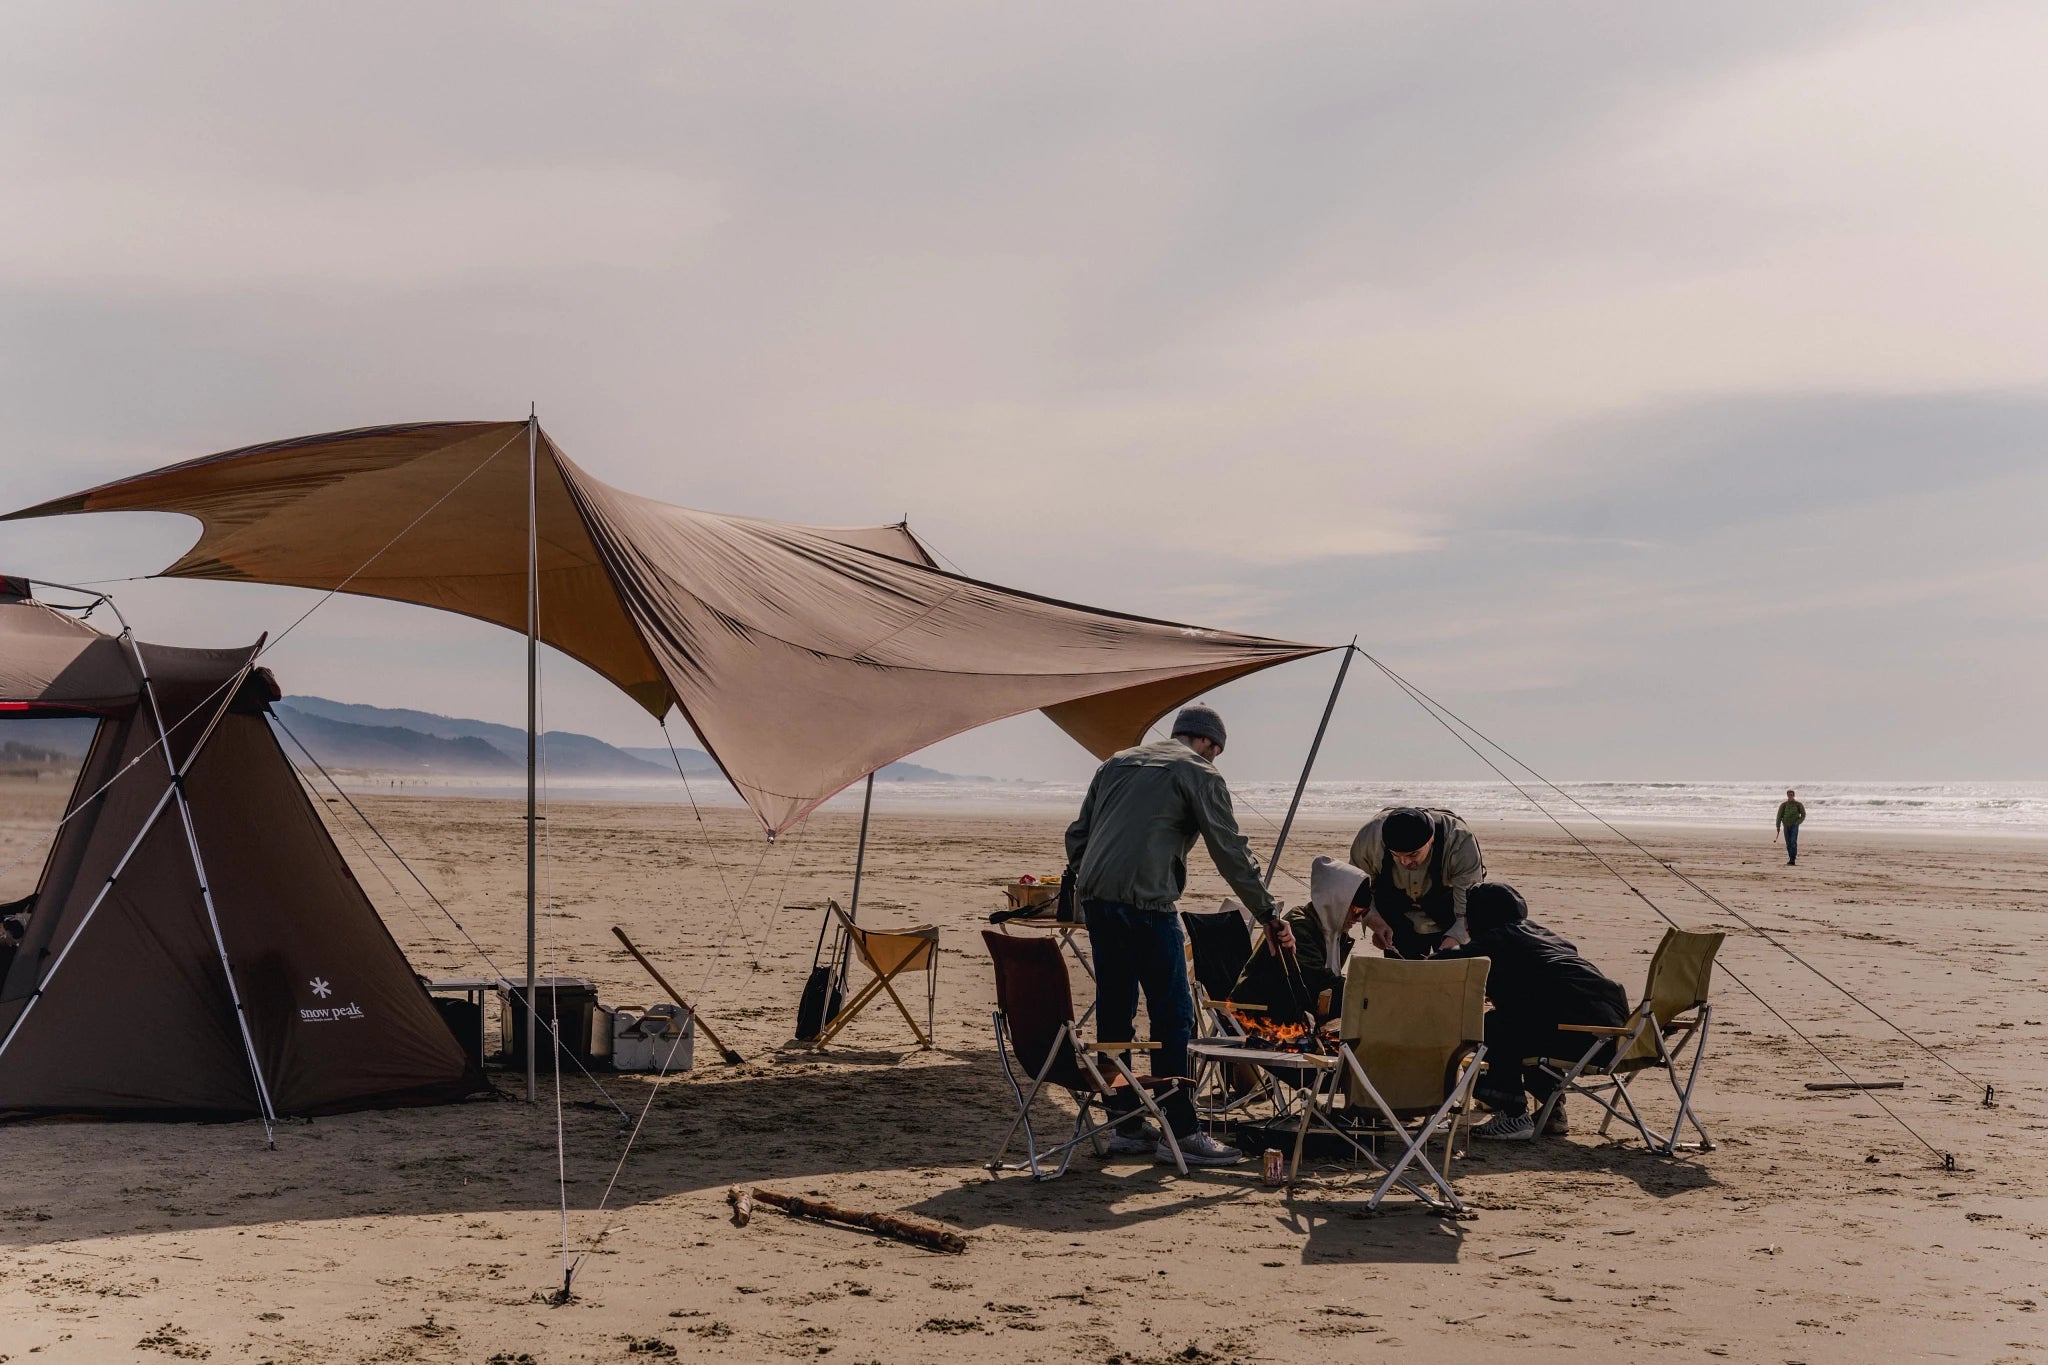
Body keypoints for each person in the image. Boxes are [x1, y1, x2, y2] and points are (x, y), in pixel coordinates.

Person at [1063, 703, 1293, 1167]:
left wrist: (1092, 879)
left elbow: (1078, 836)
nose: (1215, 758)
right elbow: (1229, 850)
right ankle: (1181, 1131)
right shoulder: (1199, 772)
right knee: (1174, 1017)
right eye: (1216, 752)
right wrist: (1268, 912)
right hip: (1147, 905)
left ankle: (1124, 1125)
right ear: (1208, 743)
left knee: (1115, 1010)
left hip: (1098, 901)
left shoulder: (1117, 762)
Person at [1435, 882, 1630, 1140]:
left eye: (1468, 917)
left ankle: (1513, 1114)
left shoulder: (1500, 937)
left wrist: (1415, 965)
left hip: (1584, 1039)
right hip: (1617, 1037)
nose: (1467, 926)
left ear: (1481, 916)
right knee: (1529, 1020)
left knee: (1492, 1026)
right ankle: (1553, 1110)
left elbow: (1450, 962)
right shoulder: (1543, 935)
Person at [1227, 855, 1371, 1024]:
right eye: (1356, 911)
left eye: (1364, 913)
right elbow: (1318, 982)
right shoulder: (1300, 927)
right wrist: (1366, 992)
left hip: (1293, 1011)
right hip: (1261, 1016)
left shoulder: (1333, 932)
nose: (1359, 919)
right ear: (1336, 903)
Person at [1348, 806, 1485, 958]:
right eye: (1396, 855)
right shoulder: (1369, 839)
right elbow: (1356, 892)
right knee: (1401, 971)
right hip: (1396, 916)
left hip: (1449, 912)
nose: (1405, 862)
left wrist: (1453, 942)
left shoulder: (1460, 842)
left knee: (1451, 969)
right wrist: (1375, 922)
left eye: (1413, 854)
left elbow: (1468, 912)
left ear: (1431, 839)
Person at [1776, 789, 1806, 865]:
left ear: (1794, 795)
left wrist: (1798, 822)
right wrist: (1778, 826)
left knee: (1793, 842)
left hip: (1794, 825)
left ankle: (1793, 859)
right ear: (1787, 795)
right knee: (1788, 843)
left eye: (1791, 795)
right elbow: (1779, 816)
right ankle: (1790, 858)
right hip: (1786, 825)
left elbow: (1803, 814)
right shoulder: (1784, 805)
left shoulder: (1798, 804)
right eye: (1789, 795)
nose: (1790, 796)